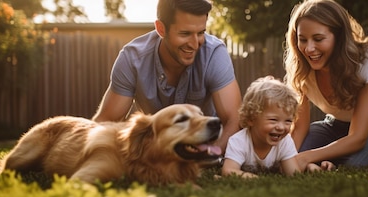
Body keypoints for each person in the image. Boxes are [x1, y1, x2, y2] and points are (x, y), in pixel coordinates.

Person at [92, 0, 241, 152]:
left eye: (201, 33)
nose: (195, 44)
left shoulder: (214, 54)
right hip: (156, 150)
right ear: (161, 29)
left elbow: (234, 119)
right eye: (185, 34)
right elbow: (106, 122)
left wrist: (207, 155)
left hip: (206, 143)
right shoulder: (132, 60)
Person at [284, 0, 368, 170]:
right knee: (295, 155)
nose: (309, 49)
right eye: (302, 39)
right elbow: (300, 127)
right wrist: (290, 158)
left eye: (318, 39)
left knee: (354, 166)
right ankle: (328, 162)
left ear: (339, 37)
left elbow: (358, 136)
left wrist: (305, 158)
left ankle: (331, 162)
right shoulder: (301, 68)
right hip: (334, 125)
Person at [221, 76, 333, 178]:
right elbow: (228, 170)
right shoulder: (238, 141)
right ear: (251, 119)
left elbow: (293, 174)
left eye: (288, 121)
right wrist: (247, 177)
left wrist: (309, 168)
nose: (281, 127)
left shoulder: (284, 141)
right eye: (273, 120)